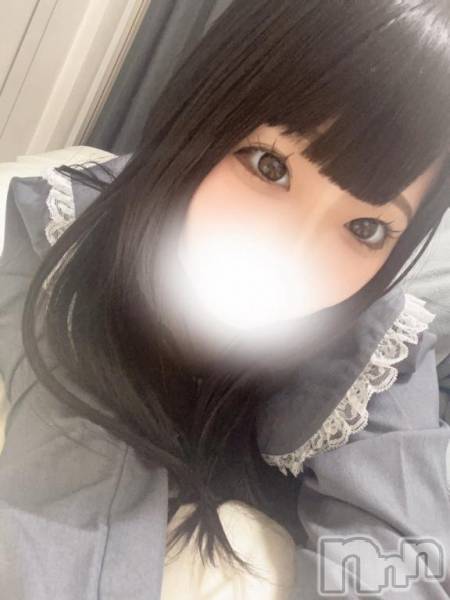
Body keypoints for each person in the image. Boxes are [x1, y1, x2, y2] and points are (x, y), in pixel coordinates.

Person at [1, 1, 450, 598]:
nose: (293, 256)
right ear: (202, 111)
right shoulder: (61, 237)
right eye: (270, 165)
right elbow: (66, 523)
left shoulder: (379, 348)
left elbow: (399, 558)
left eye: (366, 228)